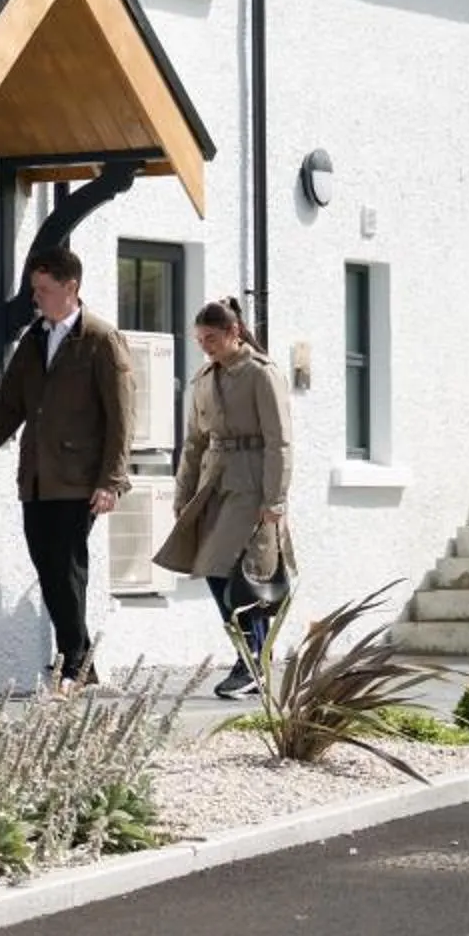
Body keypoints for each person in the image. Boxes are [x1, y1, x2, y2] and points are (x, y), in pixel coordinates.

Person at [0, 247, 133, 691]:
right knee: (47, 564)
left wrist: (111, 481)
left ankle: (73, 663)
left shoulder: (100, 339)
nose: (37, 298)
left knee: (67, 565)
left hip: (80, 479)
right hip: (36, 476)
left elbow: (121, 417)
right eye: (35, 289)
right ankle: (82, 662)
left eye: (44, 290)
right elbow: (10, 404)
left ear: (71, 288)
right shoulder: (35, 338)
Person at [154, 295, 294, 699]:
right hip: (213, 482)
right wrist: (183, 493)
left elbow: (279, 441)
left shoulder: (260, 374)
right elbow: (194, 441)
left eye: (212, 337)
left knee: (236, 570)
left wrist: (275, 498)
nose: (206, 346)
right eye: (200, 339)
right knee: (218, 570)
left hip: (250, 484)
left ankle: (250, 657)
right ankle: (254, 657)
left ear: (234, 332)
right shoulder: (203, 378)